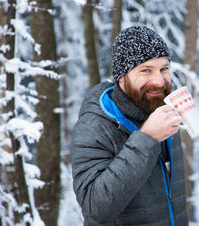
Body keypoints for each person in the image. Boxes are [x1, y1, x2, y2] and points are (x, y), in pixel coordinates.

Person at [71, 25, 189, 226]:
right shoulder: (94, 125)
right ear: (121, 76)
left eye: (164, 69)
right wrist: (146, 139)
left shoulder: (163, 110)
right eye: (146, 70)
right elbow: (95, 209)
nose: (159, 81)